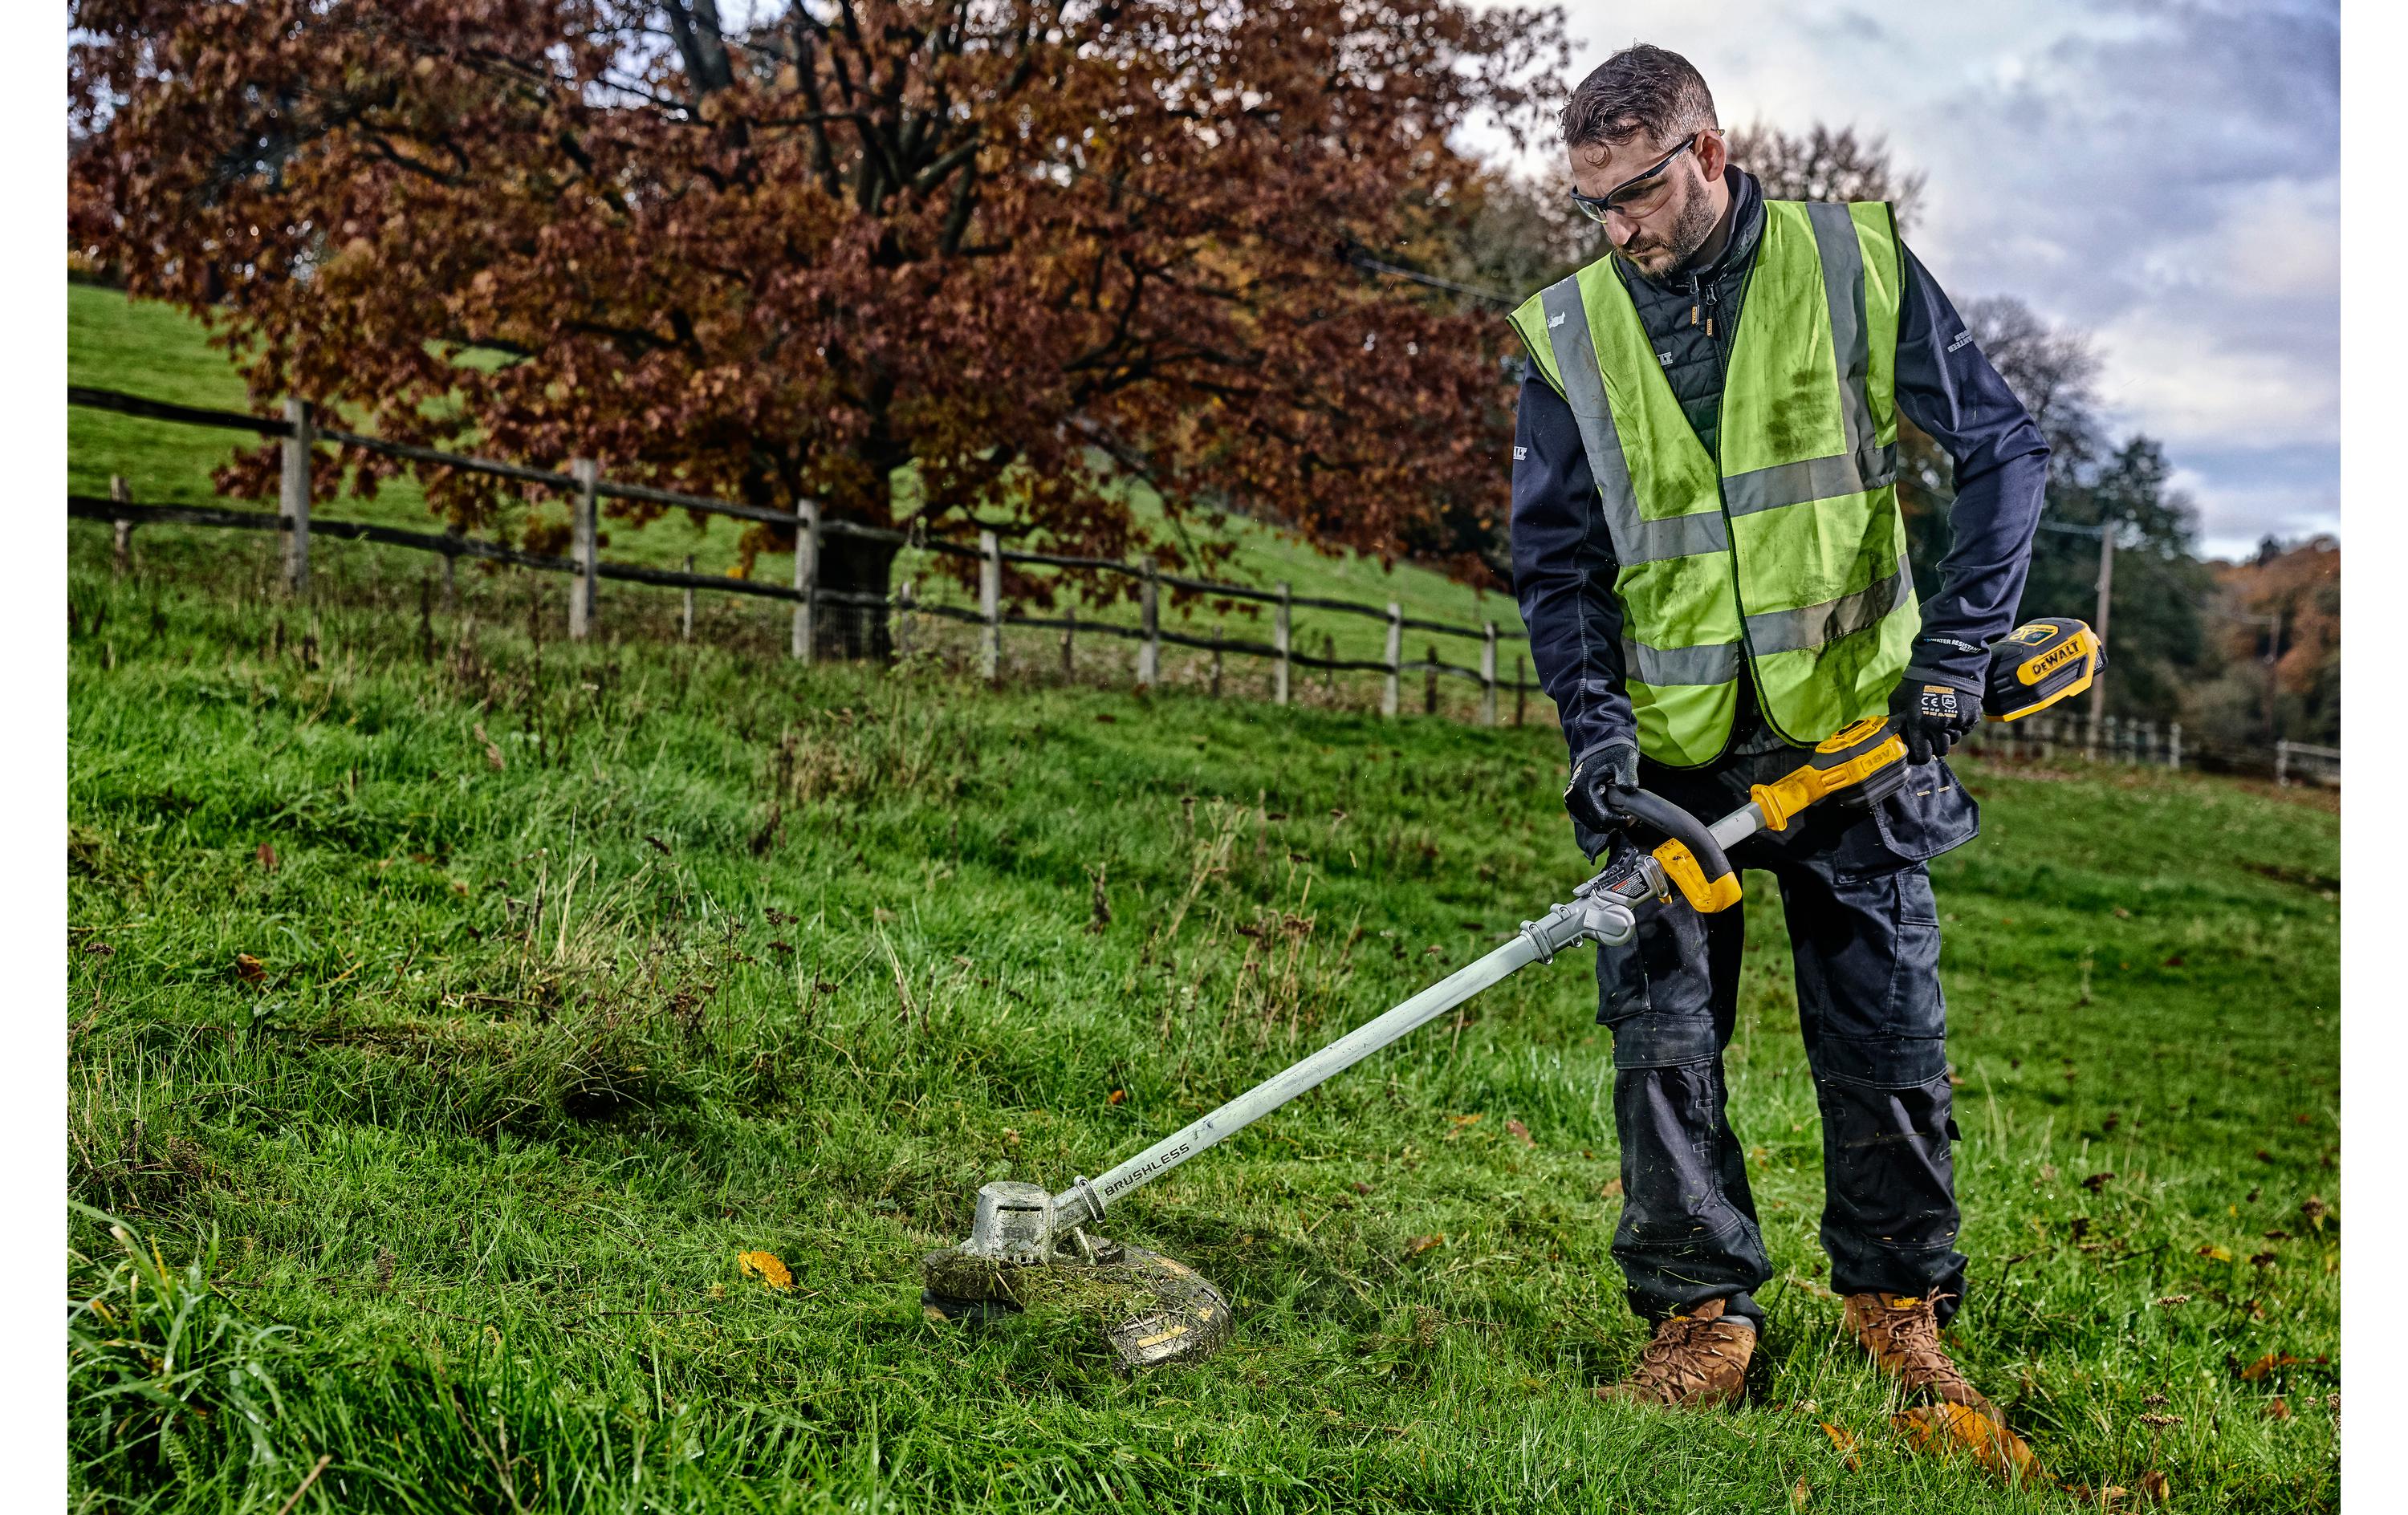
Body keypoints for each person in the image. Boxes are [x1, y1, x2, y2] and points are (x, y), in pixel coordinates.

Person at [1507, 44, 2045, 1423]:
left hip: (1858, 736)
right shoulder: (1573, 333)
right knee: (1663, 1034)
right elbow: (1559, 568)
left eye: (1637, 194)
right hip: (1676, 765)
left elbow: (2005, 450)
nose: (1618, 230)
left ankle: (1898, 1305)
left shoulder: (1849, 264)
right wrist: (1595, 737)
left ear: (1709, 154)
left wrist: (1956, 658)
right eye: (1595, 206)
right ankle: (1701, 1320)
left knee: (1884, 1033)